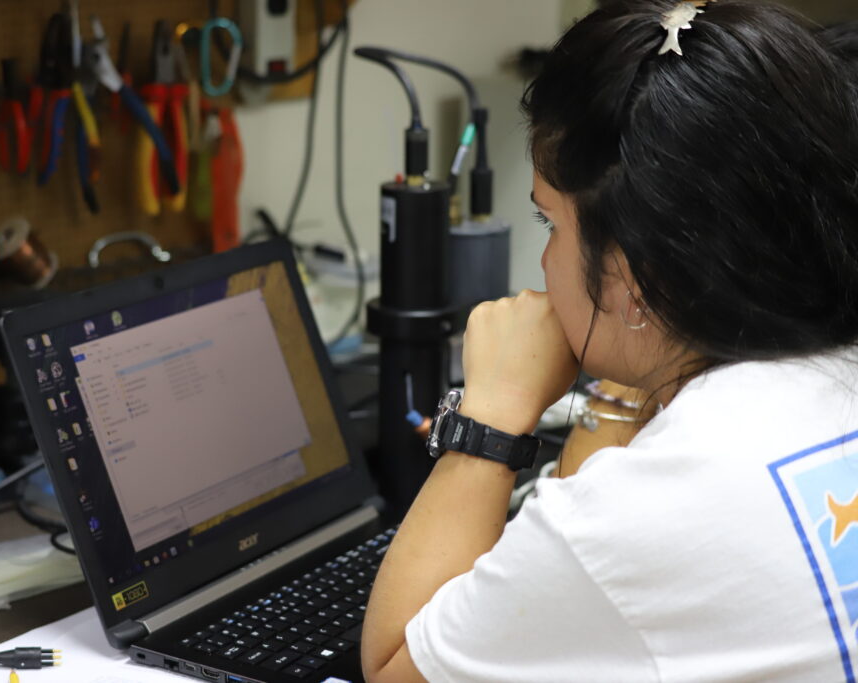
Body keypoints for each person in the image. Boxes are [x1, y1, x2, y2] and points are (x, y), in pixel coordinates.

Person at [360, 1, 858, 681]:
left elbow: (393, 665)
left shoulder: (640, 514)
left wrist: (492, 415)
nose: (542, 264)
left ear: (631, 276)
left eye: (549, 223)